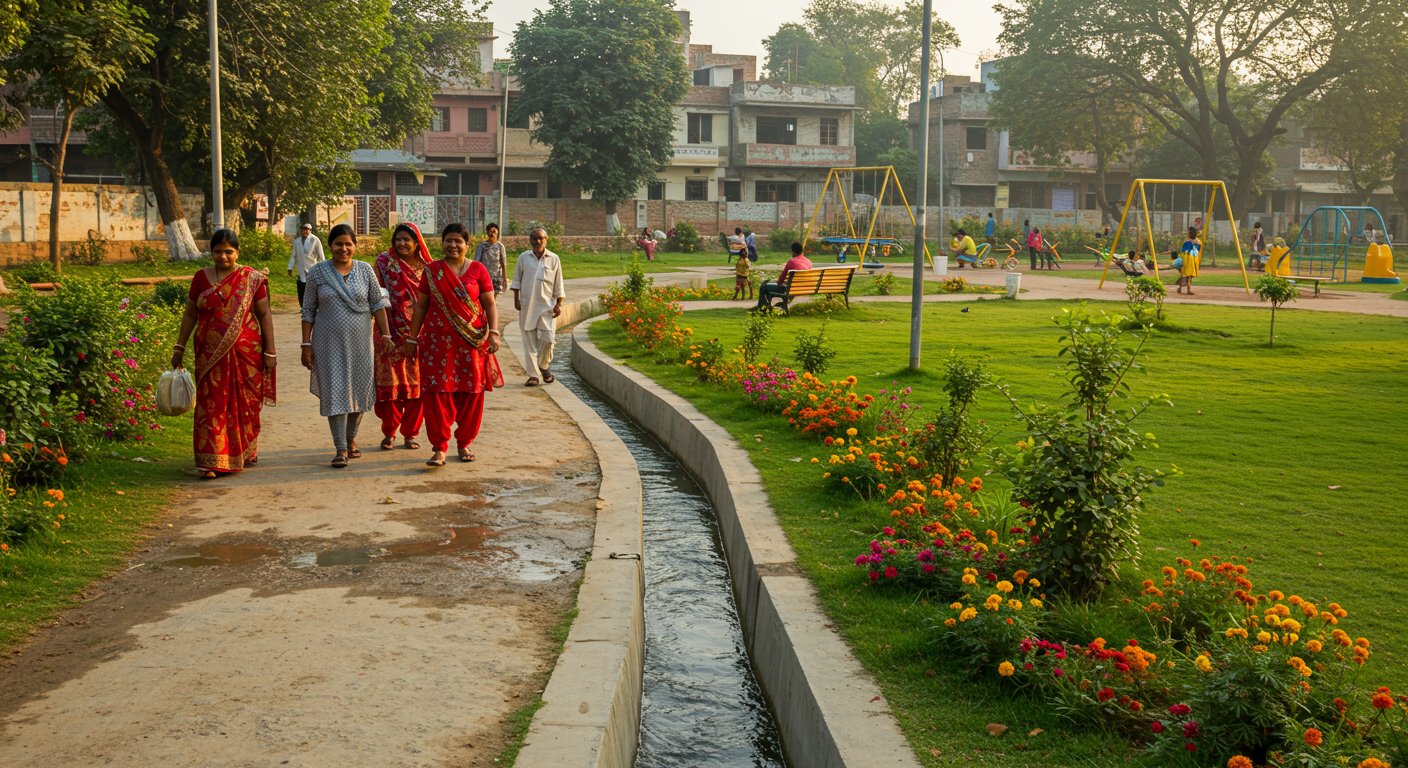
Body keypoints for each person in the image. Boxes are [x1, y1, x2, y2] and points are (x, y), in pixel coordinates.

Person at [171, 229, 277, 478]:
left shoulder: (251, 278)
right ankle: (212, 461)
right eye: (218, 251)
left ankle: (243, 450)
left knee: (245, 404)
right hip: (209, 355)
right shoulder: (200, 278)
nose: (223, 256)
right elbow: (190, 314)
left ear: (237, 252)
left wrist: (270, 351)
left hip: (246, 353)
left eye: (228, 251)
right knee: (212, 404)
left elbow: (264, 315)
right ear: (211, 253)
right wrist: (179, 346)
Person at [402, 222, 503, 466]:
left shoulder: (478, 270)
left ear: (467, 245)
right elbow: (421, 306)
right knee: (437, 394)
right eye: (449, 240)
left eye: (458, 241)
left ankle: (465, 443)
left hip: (471, 344)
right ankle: (439, 447)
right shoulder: (432, 271)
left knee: (471, 394)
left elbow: (489, 304)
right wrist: (412, 337)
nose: (453, 245)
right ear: (442, 242)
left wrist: (495, 332)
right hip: (437, 345)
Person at [300, 224, 393, 468]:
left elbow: (377, 304)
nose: (343, 248)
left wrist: (386, 335)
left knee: (359, 391)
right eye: (338, 243)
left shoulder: (365, 271)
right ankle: (340, 447)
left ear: (355, 245)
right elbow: (308, 310)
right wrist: (306, 344)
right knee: (335, 392)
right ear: (330, 246)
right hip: (327, 344)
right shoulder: (318, 273)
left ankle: (352, 439)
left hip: (361, 343)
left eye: (348, 244)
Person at [373, 223, 431, 451]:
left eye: (407, 239)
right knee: (390, 387)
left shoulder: (428, 268)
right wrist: (384, 331)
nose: (402, 244)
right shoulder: (384, 263)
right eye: (398, 239)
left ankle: (411, 434)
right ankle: (389, 432)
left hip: (418, 336)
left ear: (417, 243)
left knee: (416, 389)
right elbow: (376, 295)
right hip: (388, 333)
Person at [511, 226, 567, 387]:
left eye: (540, 238)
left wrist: (559, 304)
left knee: (548, 339)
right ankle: (533, 375)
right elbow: (516, 281)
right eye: (534, 238)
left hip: (547, 307)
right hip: (527, 306)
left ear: (546, 239)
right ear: (530, 240)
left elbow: (559, 283)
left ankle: (543, 366)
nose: (537, 241)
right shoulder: (524, 258)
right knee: (528, 342)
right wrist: (516, 299)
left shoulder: (554, 258)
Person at [755, 242, 810, 311]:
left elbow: (780, 280)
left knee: (764, 286)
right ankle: (766, 306)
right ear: (801, 251)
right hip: (804, 288)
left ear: (793, 252)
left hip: (790, 289)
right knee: (767, 282)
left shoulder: (792, 261)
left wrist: (778, 282)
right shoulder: (808, 261)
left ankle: (762, 308)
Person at [287, 222, 324, 306]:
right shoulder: (297, 241)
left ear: (310, 230)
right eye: (303, 229)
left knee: (312, 289)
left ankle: (314, 305)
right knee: (301, 288)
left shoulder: (315, 240)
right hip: (301, 268)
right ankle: (302, 306)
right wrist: (290, 267)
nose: (305, 231)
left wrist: (322, 268)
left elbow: (321, 255)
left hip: (312, 268)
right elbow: (293, 255)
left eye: (307, 229)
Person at [474, 222, 509, 294]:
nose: (492, 234)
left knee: (494, 296)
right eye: (490, 231)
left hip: (496, 277)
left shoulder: (500, 246)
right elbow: (476, 261)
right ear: (487, 232)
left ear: (497, 232)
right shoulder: (482, 245)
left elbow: (503, 262)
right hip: (484, 276)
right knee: (484, 296)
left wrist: (504, 278)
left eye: (494, 231)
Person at [1174, 226, 1201, 294]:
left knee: (1185, 275)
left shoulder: (1187, 242)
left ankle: (1180, 288)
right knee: (1188, 276)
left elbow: (1183, 251)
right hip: (1191, 260)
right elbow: (1197, 250)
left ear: (1190, 234)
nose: (1187, 233)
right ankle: (1187, 290)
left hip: (1188, 260)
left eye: (1188, 232)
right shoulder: (1197, 241)